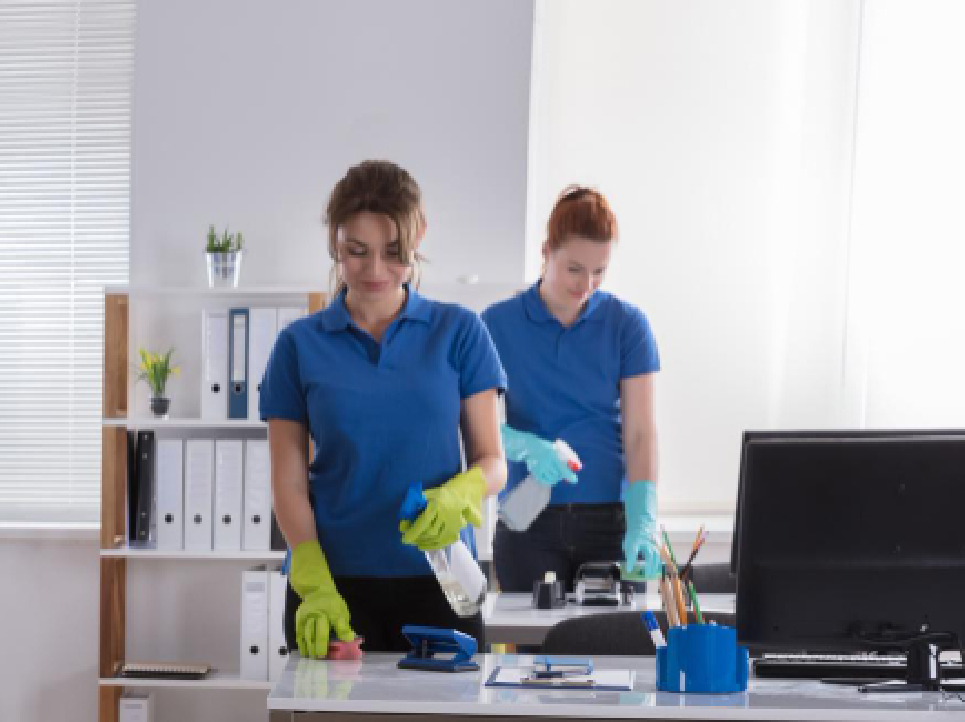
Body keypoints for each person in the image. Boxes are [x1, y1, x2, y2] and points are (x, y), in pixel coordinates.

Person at [260, 160, 507, 656]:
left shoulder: (459, 332)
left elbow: (492, 461)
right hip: (335, 589)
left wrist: (460, 494)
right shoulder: (297, 346)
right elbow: (288, 483)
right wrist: (310, 576)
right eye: (357, 251)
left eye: (394, 253)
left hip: (441, 583)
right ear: (335, 241)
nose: (375, 270)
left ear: (419, 236)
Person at [481, 185, 661, 593]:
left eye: (599, 271)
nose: (587, 284)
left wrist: (643, 520)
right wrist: (527, 447)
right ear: (546, 252)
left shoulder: (627, 325)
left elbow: (640, 433)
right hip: (529, 524)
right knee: (530, 653)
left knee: (613, 649)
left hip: (610, 524)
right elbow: (480, 429)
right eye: (575, 269)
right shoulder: (495, 325)